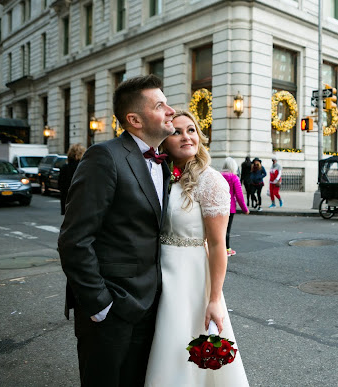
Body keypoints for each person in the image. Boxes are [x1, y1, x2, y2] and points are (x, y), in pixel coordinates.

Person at [58, 74, 176, 386]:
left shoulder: (162, 165)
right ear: (134, 119)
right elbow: (74, 239)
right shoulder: (104, 156)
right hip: (111, 309)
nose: (171, 110)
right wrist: (99, 304)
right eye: (160, 105)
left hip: (150, 304)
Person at [145, 111, 249, 386]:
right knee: (161, 345)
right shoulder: (161, 175)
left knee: (183, 345)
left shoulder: (211, 180)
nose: (186, 136)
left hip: (190, 276)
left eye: (191, 130)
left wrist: (214, 299)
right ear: (164, 141)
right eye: (177, 132)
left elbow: (217, 245)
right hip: (158, 273)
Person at [221, 157, 249, 256]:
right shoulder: (234, 177)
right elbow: (239, 195)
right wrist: (244, 209)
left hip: (218, 206)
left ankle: (218, 249)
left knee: (219, 229)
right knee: (227, 230)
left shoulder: (218, 176)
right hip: (230, 207)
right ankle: (227, 249)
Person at [58, 143, 85, 215]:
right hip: (82, 204)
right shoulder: (85, 168)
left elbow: (60, 185)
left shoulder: (65, 168)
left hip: (68, 203)